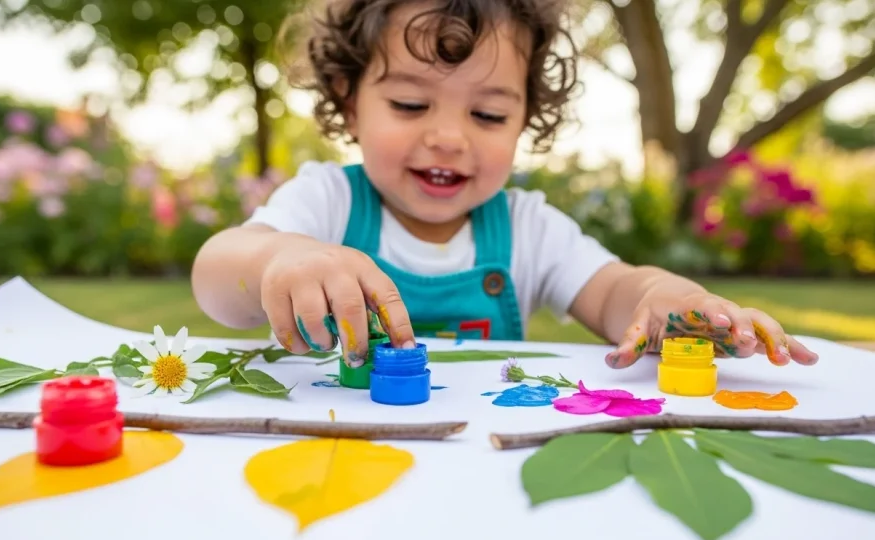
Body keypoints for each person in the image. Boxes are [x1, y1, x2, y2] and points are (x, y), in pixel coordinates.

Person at [190, 0, 819, 371]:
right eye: (411, 104)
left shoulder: (526, 227)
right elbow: (216, 277)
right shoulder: (325, 202)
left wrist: (674, 302)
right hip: (335, 462)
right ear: (349, 104)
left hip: (483, 472)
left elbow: (619, 292)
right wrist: (281, 256)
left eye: (488, 114)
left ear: (525, 117)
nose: (449, 137)